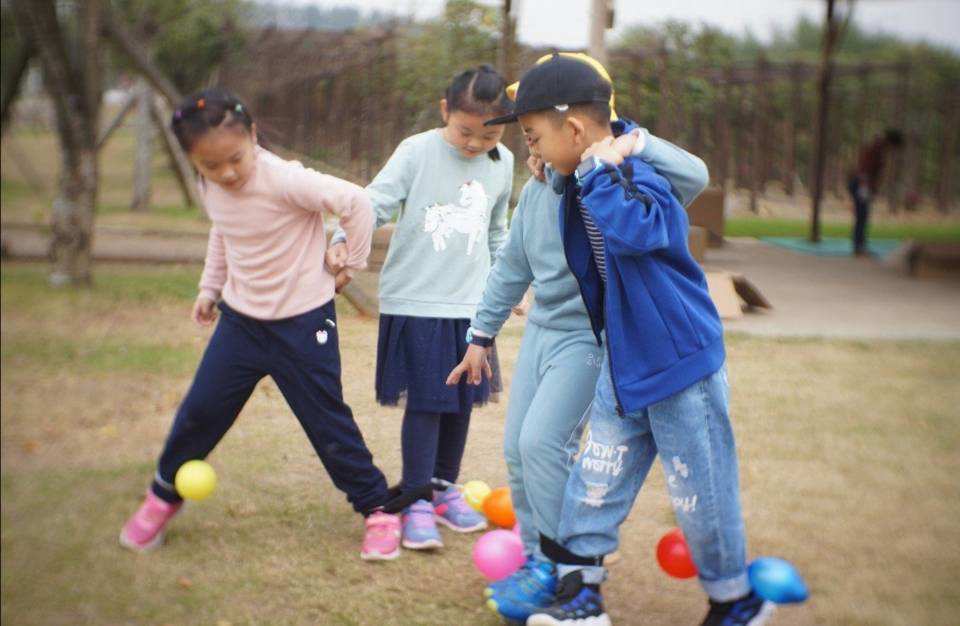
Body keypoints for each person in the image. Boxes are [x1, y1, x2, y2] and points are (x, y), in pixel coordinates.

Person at [484, 55, 772, 626]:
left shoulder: (638, 178)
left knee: (699, 493)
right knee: (594, 481)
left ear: (573, 130)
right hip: (623, 364)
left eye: (535, 137)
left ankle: (737, 601)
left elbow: (641, 230)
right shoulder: (566, 182)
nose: (531, 152)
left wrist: (610, 157)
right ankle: (581, 597)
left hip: (678, 366)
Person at [447, 53, 710, 623]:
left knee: (545, 443)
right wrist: (480, 334)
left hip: (592, 337)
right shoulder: (538, 189)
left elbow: (695, 176)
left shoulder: (621, 178)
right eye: (526, 135)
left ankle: (563, 568)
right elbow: (512, 267)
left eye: (536, 132)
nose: (530, 148)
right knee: (518, 449)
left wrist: (628, 142)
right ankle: (544, 557)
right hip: (543, 329)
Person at [119, 88, 413, 562]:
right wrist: (209, 288)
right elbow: (224, 230)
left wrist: (350, 264)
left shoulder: (284, 179)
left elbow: (357, 203)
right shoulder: (211, 185)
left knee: (327, 423)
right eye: (211, 167)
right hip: (241, 325)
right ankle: (161, 498)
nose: (227, 174)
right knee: (199, 414)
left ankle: (378, 508)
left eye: (235, 159)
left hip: (302, 325)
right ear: (194, 161)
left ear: (253, 137)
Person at [326, 65, 514, 551]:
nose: (475, 144)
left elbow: (498, 231)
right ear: (445, 111)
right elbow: (377, 202)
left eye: (488, 133)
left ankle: (443, 489)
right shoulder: (417, 151)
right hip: (419, 299)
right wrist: (344, 236)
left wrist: (506, 286)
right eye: (465, 132)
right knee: (428, 402)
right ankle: (415, 499)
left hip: (473, 307)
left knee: (462, 402)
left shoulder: (503, 162)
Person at [848, 128, 904, 255]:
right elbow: (865, 167)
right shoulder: (876, 148)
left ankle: (860, 245)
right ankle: (858, 246)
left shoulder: (879, 147)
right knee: (862, 216)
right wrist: (864, 188)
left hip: (863, 184)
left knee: (863, 216)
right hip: (861, 184)